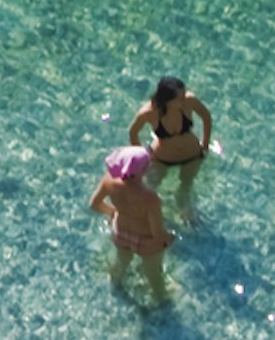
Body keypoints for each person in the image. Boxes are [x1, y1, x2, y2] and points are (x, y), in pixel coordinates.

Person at [91, 143, 173, 305]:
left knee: (121, 263)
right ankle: (163, 303)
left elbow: (94, 204)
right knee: (153, 274)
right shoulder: (150, 197)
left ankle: (115, 287)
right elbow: (157, 233)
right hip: (146, 239)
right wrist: (168, 238)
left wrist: (112, 212)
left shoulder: (109, 181)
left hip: (121, 231)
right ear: (142, 171)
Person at [129, 77, 216, 224]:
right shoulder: (148, 112)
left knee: (186, 187)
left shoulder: (189, 101)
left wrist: (205, 144)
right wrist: (143, 157)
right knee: (150, 189)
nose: (184, 99)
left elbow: (206, 117)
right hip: (162, 159)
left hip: (192, 155)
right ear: (167, 100)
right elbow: (133, 133)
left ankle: (185, 214)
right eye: (179, 98)